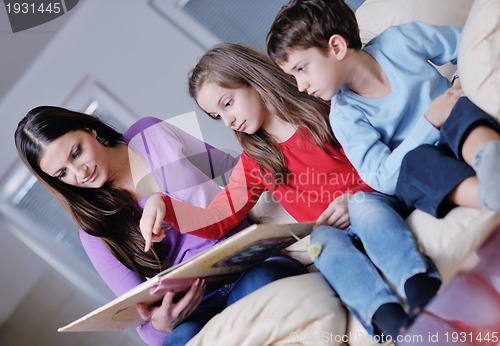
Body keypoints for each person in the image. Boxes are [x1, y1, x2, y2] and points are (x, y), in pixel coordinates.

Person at [140, 43, 441, 341]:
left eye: (228, 103)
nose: (228, 121)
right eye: (217, 116)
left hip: (375, 205)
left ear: (252, 79)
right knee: (320, 242)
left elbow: (379, 160)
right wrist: (163, 204)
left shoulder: (323, 108)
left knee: (363, 206)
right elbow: (219, 218)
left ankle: (422, 292)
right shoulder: (257, 160)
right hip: (336, 237)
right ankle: (391, 324)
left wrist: (354, 196)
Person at [14, 106, 307, 346]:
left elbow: (234, 170)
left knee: (264, 283)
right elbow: (139, 317)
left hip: (249, 262)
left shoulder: (151, 133)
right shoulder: (93, 230)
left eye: (76, 152)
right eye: (63, 173)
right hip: (195, 306)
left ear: (91, 130)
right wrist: (160, 323)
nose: (80, 172)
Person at [267, 0, 500, 218]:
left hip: (458, 123)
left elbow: (467, 43)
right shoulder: (344, 115)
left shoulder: (399, 41)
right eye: (293, 76)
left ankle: (490, 161)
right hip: (425, 161)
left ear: (336, 47)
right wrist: (429, 122)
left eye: (302, 69)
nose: (300, 85)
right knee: (413, 168)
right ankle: (485, 195)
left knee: (460, 111)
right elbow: (380, 177)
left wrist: (457, 86)